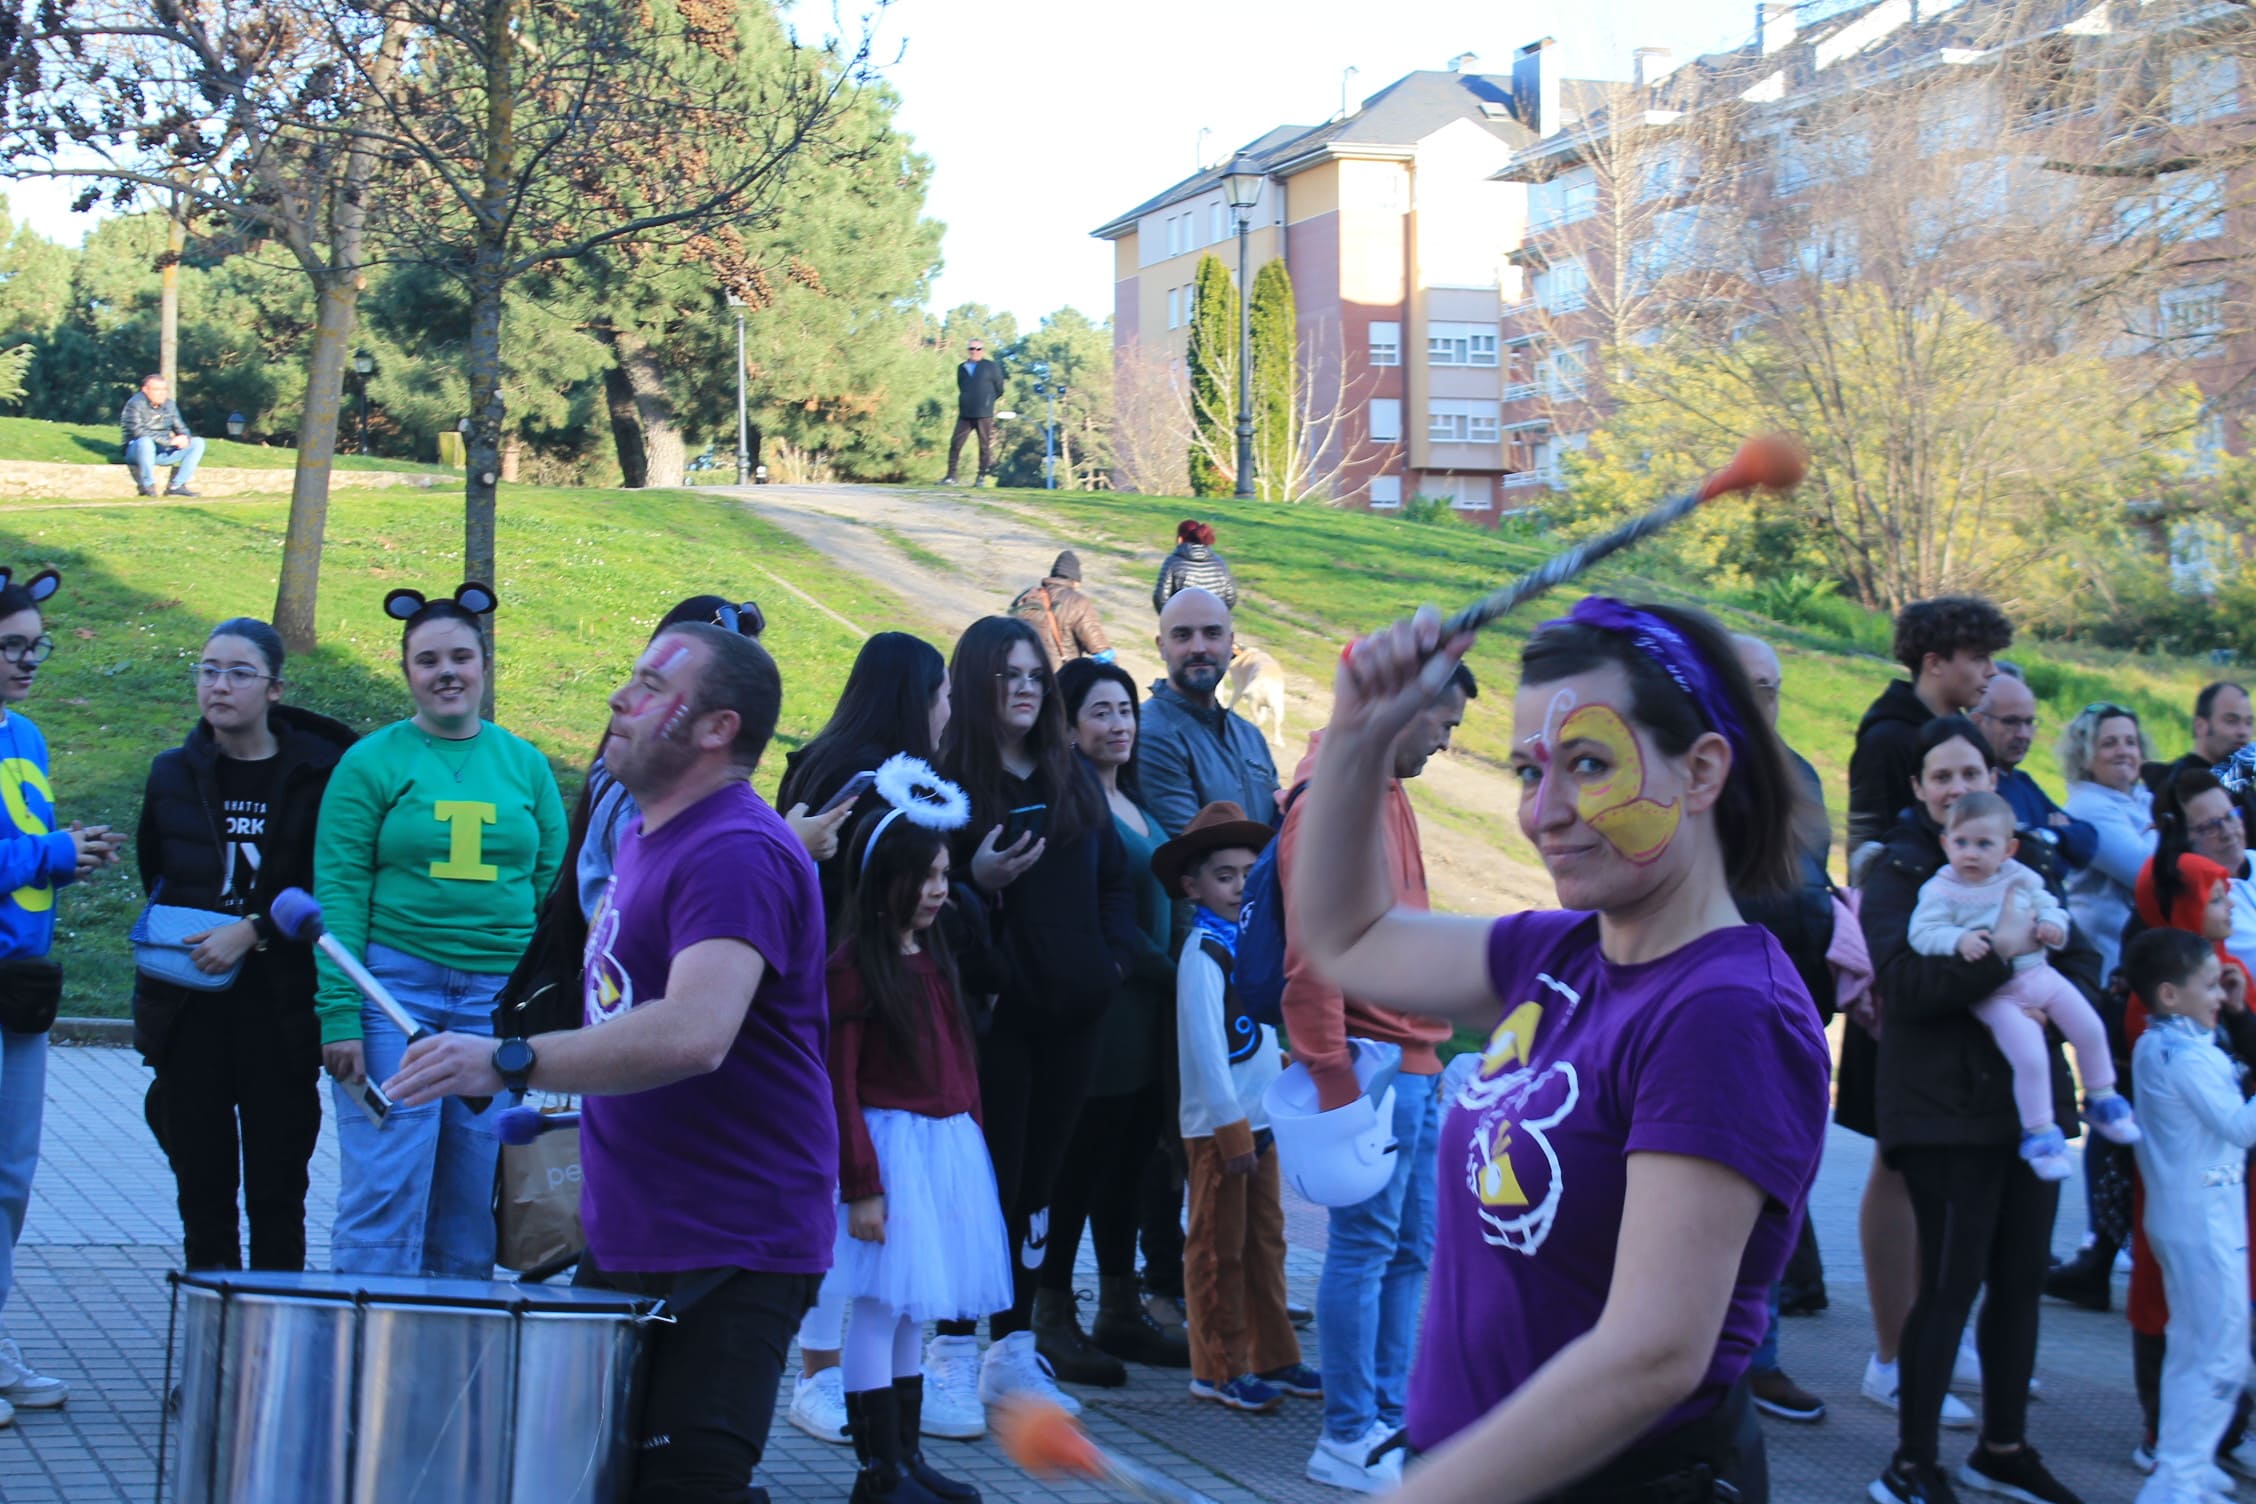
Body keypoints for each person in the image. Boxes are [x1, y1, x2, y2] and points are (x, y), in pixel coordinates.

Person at [1292, 596, 1830, 1504]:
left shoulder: (1726, 1014)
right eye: (1529, 770)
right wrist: (1355, 735)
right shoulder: (1556, 955)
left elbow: (1653, 1352)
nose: (1545, 813)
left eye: (1589, 764)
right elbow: (1346, 938)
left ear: (1701, 773)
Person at [387, 623, 837, 1503]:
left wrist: (510, 1061)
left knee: (686, 1488)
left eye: (648, 685)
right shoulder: (641, 833)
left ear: (716, 728)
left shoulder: (735, 851)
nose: (617, 701)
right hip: (638, 1223)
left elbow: (693, 1033)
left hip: (731, 1239)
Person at [1863, 715, 2095, 1504]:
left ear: (1994, 783)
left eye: (1972, 775)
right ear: (1921, 791)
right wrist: (2000, 958)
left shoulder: (2025, 865)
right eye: (1942, 777)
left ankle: (2001, 1448)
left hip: (2030, 1114)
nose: (1958, 790)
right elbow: (1905, 989)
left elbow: (2083, 960)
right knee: (1950, 1284)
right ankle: (1912, 1462)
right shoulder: (1897, 873)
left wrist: (2056, 1000)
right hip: (1940, 1111)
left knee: (2021, 1278)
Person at [315, 584, 566, 1276]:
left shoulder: (526, 765)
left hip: (493, 1006)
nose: (446, 672)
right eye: (427, 660)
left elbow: (551, 888)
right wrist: (338, 1012)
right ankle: (366, 1359)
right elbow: (338, 891)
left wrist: (536, 1004)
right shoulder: (370, 763)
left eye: (460, 656)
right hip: (394, 997)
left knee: (467, 1196)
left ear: (484, 664)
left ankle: (450, 1361)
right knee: (386, 1184)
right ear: (407, 673)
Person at [927, 617, 1137, 1423]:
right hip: (991, 1024)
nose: (1024, 687)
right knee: (985, 1187)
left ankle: (1012, 1350)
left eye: (1033, 673)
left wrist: (1110, 964)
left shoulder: (1071, 774)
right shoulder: (949, 786)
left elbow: (1117, 882)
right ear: (977, 684)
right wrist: (976, 881)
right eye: (1007, 674)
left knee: (1039, 1194)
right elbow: (921, 907)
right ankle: (950, 1349)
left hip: (1073, 1019)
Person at [1275, 663, 1470, 1491]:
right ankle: (1346, 1432)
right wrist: (1335, 1082)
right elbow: (1310, 956)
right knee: (1365, 1249)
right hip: (1371, 1062)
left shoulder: (1386, 788)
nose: (1446, 741)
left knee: (1409, 1249)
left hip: (1415, 1059)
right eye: (1442, 724)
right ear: (1402, 712)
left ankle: (1386, 1420)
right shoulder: (1333, 800)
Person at [774, 629, 953, 1446]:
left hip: (818, 987)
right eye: (941, 694)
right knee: (850, 1209)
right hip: (852, 997)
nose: (949, 712)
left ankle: (837, 1387)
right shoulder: (873, 780)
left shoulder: (821, 758)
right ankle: (818, 1379)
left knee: (848, 1213)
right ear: (912, 697)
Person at [133, 618, 353, 1273]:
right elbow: (159, 871)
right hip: (189, 1008)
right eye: (207, 670)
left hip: (280, 1010)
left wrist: (251, 929)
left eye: (237, 673)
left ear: (275, 688)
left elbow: (328, 883)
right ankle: (212, 1366)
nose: (218, 686)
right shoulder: (171, 773)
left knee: (277, 1196)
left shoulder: (319, 776)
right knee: (202, 1195)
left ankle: (271, 1366)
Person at [826, 761, 1008, 1504]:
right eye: (925, 876)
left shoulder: (931, 958)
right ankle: (877, 1472)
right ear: (884, 880)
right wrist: (861, 1184)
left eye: (943, 874)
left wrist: (972, 1139)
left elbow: (960, 1059)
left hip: (943, 1150)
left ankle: (907, 1460)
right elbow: (837, 1083)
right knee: (876, 1305)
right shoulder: (854, 971)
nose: (939, 889)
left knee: (912, 1308)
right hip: (891, 1154)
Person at [1033, 660, 1190, 1384]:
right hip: (1104, 1015)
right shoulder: (1069, 801)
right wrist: (1158, 966)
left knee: (1129, 1166)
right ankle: (1050, 1312)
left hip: (1148, 1021)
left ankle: (1120, 1308)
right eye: (1100, 711)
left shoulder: (1132, 800)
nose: (1119, 724)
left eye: (1126, 709)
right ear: (1066, 725)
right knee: (1078, 1168)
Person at [0, 567, 119, 1423]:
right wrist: (49, 856)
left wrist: (72, 853)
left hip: (20, 990)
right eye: (13, 647)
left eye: (35, 647)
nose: (29, 661)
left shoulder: (27, 736)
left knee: (10, 1177)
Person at [1153, 801, 1311, 1416]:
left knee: (1266, 1242)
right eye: (1224, 876)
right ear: (1193, 886)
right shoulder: (1202, 955)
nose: (1239, 886)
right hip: (1222, 1131)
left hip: (1262, 1120)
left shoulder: (1250, 944)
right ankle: (1217, 1367)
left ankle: (1275, 1354)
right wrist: (1230, 1127)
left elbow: (1259, 1035)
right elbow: (1205, 1052)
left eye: (1249, 873)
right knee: (1217, 1248)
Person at [1907, 790, 2138, 1179]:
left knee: (2090, 1027)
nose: (1971, 854)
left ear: (2009, 848)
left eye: (1984, 844)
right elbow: (1921, 933)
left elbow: (2051, 906)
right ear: (1945, 843)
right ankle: (2041, 1135)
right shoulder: (1940, 889)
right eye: (1961, 843)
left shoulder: (2021, 876)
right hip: (1995, 994)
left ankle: (2102, 1098)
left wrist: (2053, 927)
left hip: (2040, 974)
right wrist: (1956, 940)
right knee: (2029, 1057)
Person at [2126, 838, 2256, 1484]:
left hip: (2192, 1214)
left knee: (2191, 1349)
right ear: (2171, 995)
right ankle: (2178, 1475)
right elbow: (2237, 1123)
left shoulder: (2163, 1044)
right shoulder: (2189, 1055)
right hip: (2204, 1221)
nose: (2220, 995)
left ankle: (2187, 1461)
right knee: (2221, 1353)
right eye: (2209, 986)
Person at [1729, 632, 1834, 1421]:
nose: (1764, 698)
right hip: (1718, 1008)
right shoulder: (1697, 767)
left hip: (1795, 1006)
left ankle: (1754, 1355)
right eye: (1749, 684)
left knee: (1777, 1191)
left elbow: (1811, 881)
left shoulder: (1798, 772)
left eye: (1773, 687)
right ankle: (1721, 1358)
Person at [1847, 595, 2013, 853]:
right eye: (1979, 658)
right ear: (1934, 663)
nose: (1992, 671)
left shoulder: (1966, 735)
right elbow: (1868, 841)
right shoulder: (1886, 739)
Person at [1139, 587, 1280, 838]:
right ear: (1161, 646)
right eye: (1183, 635)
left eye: (1212, 634)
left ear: (1230, 643)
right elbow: (1199, 851)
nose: (1199, 648)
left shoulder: (1249, 736)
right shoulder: (1151, 735)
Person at [2060, 701, 2159, 983]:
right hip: (2108, 962)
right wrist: (2166, 828)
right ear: (2085, 755)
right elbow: (2146, 872)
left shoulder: (2144, 798)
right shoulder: (2087, 807)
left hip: (2148, 959)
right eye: (2109, 743)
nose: (2124, 751)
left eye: (2131, 742)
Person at [1973, 666, 2098, 871]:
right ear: (1978, 721)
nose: (2023, 734)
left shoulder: (2022, 783)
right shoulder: (1975, 787)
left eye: (2029, 722)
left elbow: (2087, 841)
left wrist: (2047, 835)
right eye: (2011, 722)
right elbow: (2034, 864)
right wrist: (2056, 842)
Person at [1009, 552, 1113, 674]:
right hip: (1060, 678)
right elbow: (1100, 649)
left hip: (1026, 676)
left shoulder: (1027, 597)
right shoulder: (1077, 602)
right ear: (1076, 581)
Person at [120, 373, 206, 498]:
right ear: (145, 390)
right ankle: (148, 485)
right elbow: (138, 432)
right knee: (145, 442)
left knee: (198, 443)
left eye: (164, 390)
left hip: (161, 451)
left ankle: (177, 486)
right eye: (157, 390)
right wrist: (169, 441)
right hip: (137, 450)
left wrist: (184, 438)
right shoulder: (135, 404)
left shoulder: (169, 405)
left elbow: (181, 427)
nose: (161, 393)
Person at [942, 337, 1006, 486]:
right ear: (968, 350)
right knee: (955, 443)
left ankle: (981, 477)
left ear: (982, 351)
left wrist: (988, 401)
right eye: (972, 349)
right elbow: (961, 386)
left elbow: (1000, 389)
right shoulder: (962, 367)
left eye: (978, 349)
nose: (975, 351)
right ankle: (951, 476)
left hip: (984, 413)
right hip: (965, 413)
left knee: (984, 446)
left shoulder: (991, 367)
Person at [1152, 520, 1240, 613]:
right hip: (1213, 621)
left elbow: (1161, 599)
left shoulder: (1173, 562)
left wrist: (1172, 618)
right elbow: (1231, 597)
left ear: (1180, 539)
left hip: (1182, 622)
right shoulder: (1220, 563)